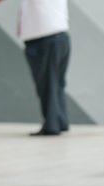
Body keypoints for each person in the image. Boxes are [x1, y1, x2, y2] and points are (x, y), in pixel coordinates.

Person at [18, 0, 70, 136]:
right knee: (55, 83)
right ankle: (59, 121)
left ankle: (52, 125)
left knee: (48, 84)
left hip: (46, 38)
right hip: (57, 35)